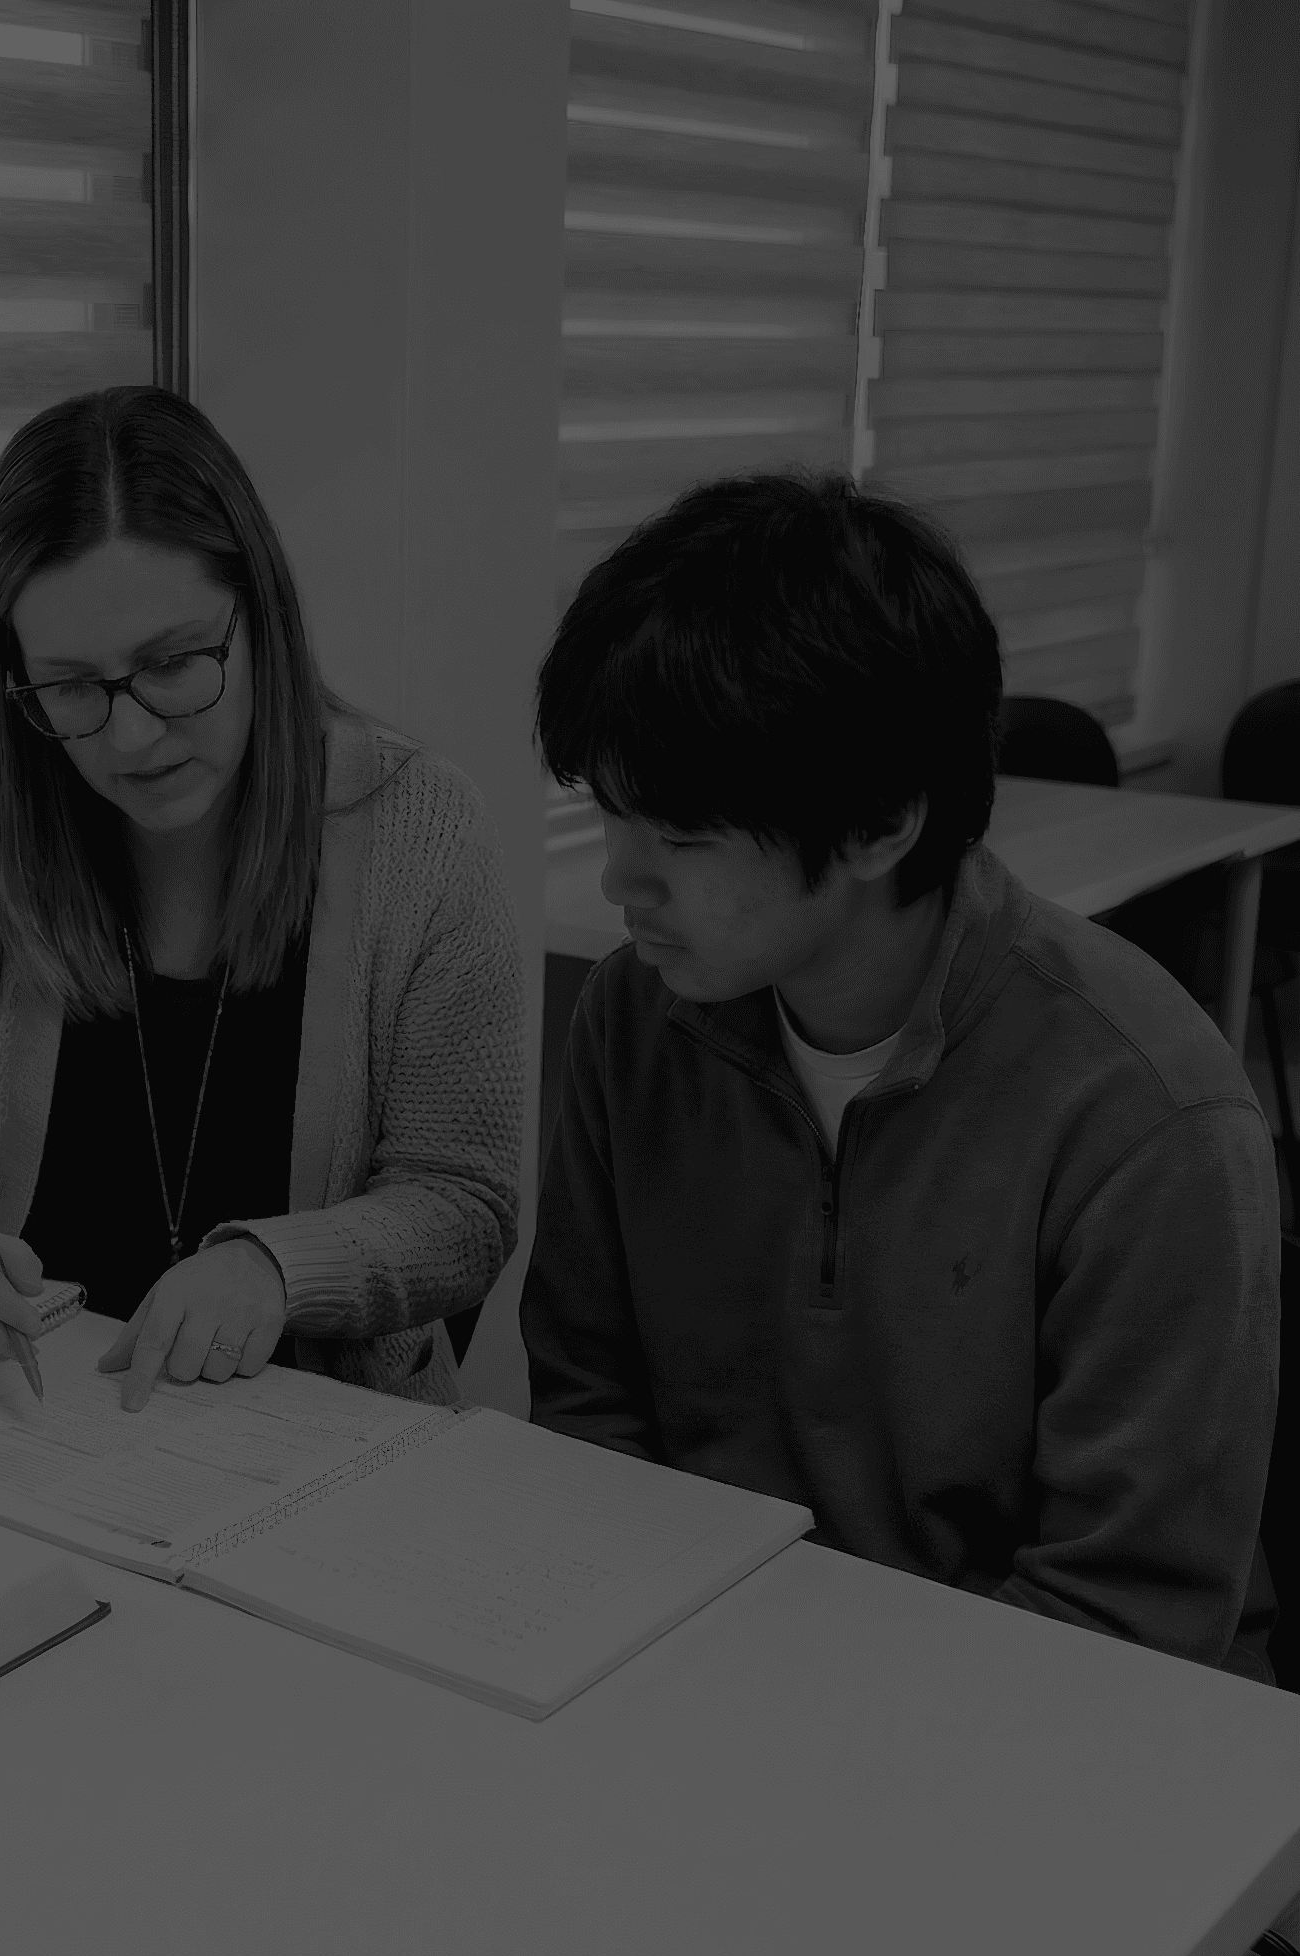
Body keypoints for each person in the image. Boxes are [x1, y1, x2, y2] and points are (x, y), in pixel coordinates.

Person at [522, 469, 1281, 1683]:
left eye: (680, 836)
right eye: (608, 816)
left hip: (1043, 1723)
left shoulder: (1146, 1116)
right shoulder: (638, 1019)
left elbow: (1124, 1618)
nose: (621, 880)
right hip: (701, 1673)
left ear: (881, 823)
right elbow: (587, 1414)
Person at [0, 385, 524, 1411]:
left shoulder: (419, 831)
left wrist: (278, 1267)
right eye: (70, 686)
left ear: (259, 615)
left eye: (173, 663)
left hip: (326, 1450)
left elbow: (466, 1204)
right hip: (36, 1424)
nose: (131, 737)